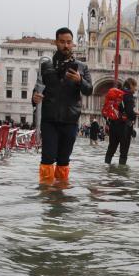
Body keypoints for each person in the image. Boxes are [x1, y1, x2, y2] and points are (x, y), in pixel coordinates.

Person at [32, 26, 93, 184]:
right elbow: (37, 89)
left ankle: (60, 196)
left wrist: (80, 80)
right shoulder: (46, 66)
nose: (66, 45)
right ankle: (46, 194)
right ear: (56, 43)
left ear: (73, 44)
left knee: (64, 160)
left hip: (70, 119)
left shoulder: (82, 67)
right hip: (49, 120)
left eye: (69, 42)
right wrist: (34, 98)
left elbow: (89, 90)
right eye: (62, 42)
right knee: (47, 158)